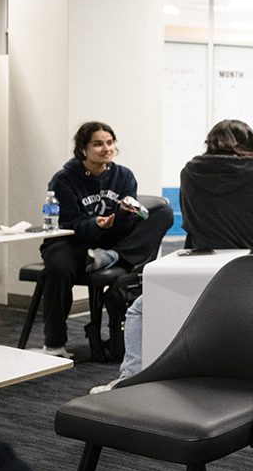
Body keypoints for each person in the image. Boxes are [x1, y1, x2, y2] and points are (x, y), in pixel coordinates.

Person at [92, 120, 253, 393]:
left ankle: (129, 378)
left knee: (139, 310)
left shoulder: (190, 171)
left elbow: (191, 217)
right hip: (249, 272)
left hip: (196, 270)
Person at [37, 122, 171, 358]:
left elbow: (126, 225)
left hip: (109, 243)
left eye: (110, 143)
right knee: (58, 269)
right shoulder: (64, 179)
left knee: (163, 212)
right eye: (98, 144)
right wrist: (95, 224)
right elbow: (68, 224)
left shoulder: (123, 176)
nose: (106, 149)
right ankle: (54, 343)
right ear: (83, 149)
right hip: (71, 240)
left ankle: (112, 257)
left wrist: (121, 214)